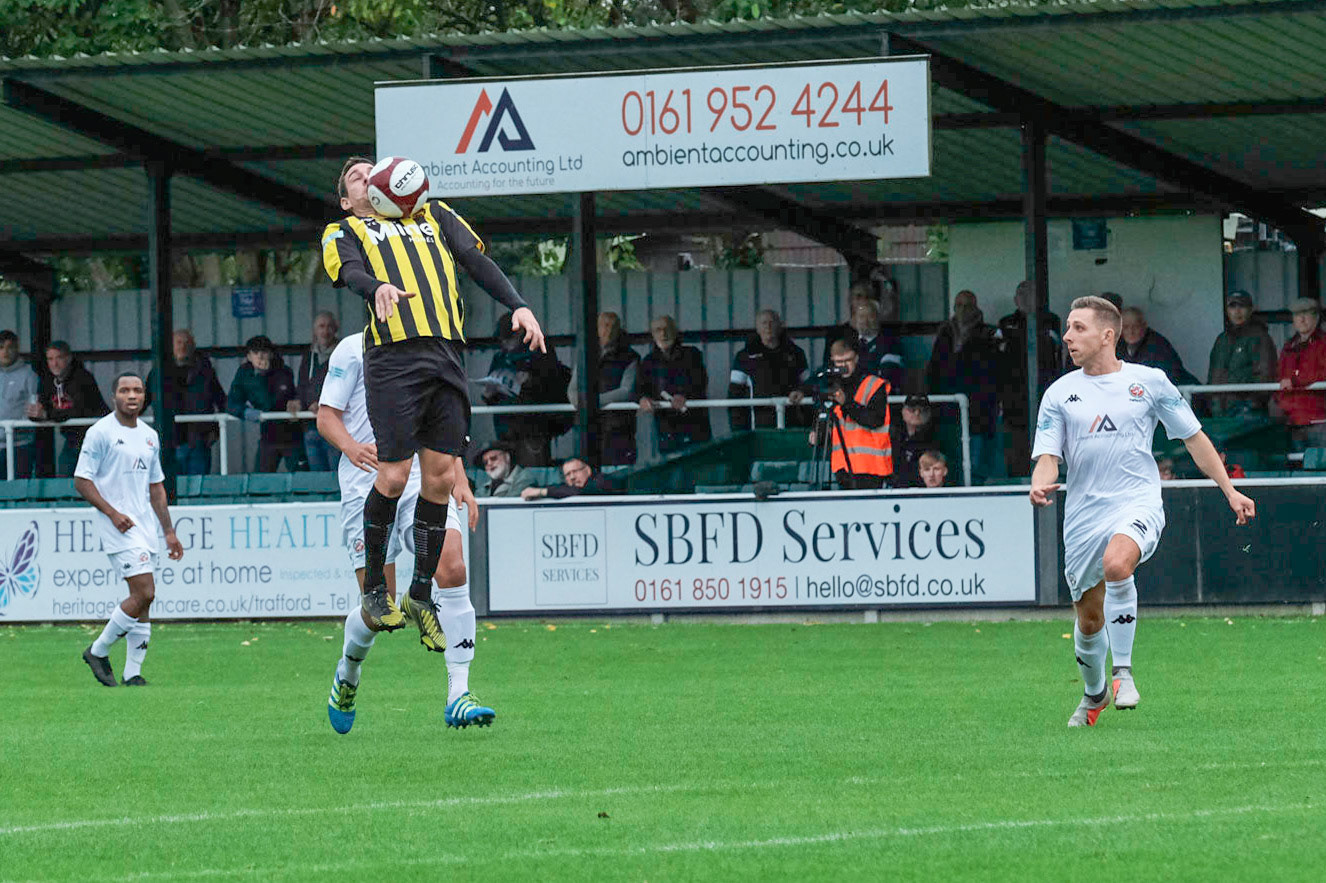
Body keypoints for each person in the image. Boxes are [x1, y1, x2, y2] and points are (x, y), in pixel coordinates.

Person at [321, 156, 545, 652]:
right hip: (394, 357)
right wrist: (376, 287)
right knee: (396, 475)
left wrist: (519, 304)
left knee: (441, 476)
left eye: (374, 171)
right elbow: (350, 272)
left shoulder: (436, 214)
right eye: (358, 178)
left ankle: (421, 593)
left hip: (447, 352)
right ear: (347, 199)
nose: (370, 178)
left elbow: (478, 260)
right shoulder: (344, 230)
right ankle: (378, 591)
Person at [1030, 296, 1255, 728]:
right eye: (1069, 328)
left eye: (1078, 327)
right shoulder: (1060, 393)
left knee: (1118, 564)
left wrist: (1229, 490)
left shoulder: (1150, 382)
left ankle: (1123, 674)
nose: (1068, 335)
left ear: (1107, 335)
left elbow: (1193, 436)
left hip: (1137, 499)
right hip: (1083, 514)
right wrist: (1040, 480)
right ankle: (1093, 693)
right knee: (1089, 617)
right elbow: (1047, 456)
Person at [316, 330, 490, 732]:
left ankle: (459, 693)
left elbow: (439, 430)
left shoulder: (430, 347)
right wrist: (352, 447)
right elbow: (326, 416)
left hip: (421, 482)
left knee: (453, 568)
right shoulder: (353, 348)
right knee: (379, 609)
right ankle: (348, 672)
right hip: (367, 484)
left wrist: (459, 477)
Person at [76, 372, 185, 688]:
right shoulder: (100, 433)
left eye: (137, 390)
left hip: (145, 527)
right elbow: (82, 480)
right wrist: (112, 513)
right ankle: (98, 650)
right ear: (114, 397)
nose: (132, 395)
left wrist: (168, 531)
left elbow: (156, 487)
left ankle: (132, 673)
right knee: (145, 592)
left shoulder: (150, 435)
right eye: (125, 390)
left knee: (144, 600)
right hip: (118, 527)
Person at [926, 290, 1000, 484]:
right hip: (946, 413)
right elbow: (933, 370)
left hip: (978, 414)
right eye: (958, 305)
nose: (962, 310)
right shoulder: (945, 334)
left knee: (974, 467)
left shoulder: (988, 334)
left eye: (967, 306)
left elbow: (992, 374)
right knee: (950, 466)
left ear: (976, 308)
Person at [480, 311, 570, 467]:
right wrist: (488, 395)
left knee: (532, 470)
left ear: (520, 333)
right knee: (509, 473)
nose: (505, 343)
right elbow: (492, 388)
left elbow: (552, 384)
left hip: (533, 427)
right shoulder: (500, 357)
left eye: (509, 338)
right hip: (505, 428)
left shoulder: (540, 349)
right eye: (503, 339)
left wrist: (529, 381)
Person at [996, 281, 1063, 478]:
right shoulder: (1006, 322)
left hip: (1043, 393)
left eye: (1030, 294)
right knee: (1015, 448)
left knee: (1046, 446)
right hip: (1013, 397)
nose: (1025, 299)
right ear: (1016, 300)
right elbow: (1000, 354)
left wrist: (1016, 340)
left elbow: (1050, 351)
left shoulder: (1050, 320)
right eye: (1021, 295)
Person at [808, 338, 893, 490]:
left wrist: (845, 403)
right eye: (839, 362)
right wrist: (819, 434)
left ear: (856, 358)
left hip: (870, 467)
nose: (843, 366)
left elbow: (875, 420)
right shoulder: (832, 385)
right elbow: (833, 423)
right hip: (842, 467)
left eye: (847, 360)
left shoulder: (873, 385)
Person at [145, 329, 227, 475]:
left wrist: (216, 431)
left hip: (199, 441)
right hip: (169, 440)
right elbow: (144, 400)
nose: (183, 346)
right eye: (178, 342)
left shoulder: (205, 372)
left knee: (198, 489)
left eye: (187, 343)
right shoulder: (158, 373)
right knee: (169, 489)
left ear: (193, 346)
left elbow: (221, 401)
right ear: (170, 346)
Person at [569, 311, 640, 466]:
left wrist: (592, 402)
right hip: (585, 425)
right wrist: (580, 402)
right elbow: (573, 388)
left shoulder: (629, 357)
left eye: (613, 326)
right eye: (605, 325)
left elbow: (626, 391)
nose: (609, 330)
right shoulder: (585, 354)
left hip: (617, 427)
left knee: (616, 474)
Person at [226, 335, 303, 473]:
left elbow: (274, 401)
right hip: (268, 435)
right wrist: (245, 412)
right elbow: (231, 402)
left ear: (271, 354)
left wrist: (264, 376)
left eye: (264, 352)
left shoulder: (283, 371)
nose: (260, 357)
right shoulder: (244, 374)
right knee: (261, 481)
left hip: (292, 434)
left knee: (301, 478)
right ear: (249, 356)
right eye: (255, 353)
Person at [31, 340, 108, 477]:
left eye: (59, 358)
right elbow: (41, 407)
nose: (54, 363)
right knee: (65, 474)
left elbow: (78, 411)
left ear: (69, 358)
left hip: (96, 438)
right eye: (50, 359)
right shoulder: (48, 381)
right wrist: (35, 413)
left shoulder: (82, 378)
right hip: (72, 439)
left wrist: (47, 414)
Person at [638, 315, 711, 455]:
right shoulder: (648, 362)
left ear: (675, 331)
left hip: (695, 428)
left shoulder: (692, 355)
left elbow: (700, 381)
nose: (663, 334)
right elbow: (641, 388)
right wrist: (643, 398)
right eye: (658, 330)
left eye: (667, 329)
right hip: (667, 431)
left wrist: (684, 396)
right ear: (652, 335)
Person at [729, 309, 811, 431]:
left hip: (792, 425)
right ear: (757, 328)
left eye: (772, 322)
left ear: (780, 325)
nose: (768, 326)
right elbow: (734, 394)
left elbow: (808, 384)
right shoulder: (744, 356)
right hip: (758, 427)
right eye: (764, 323)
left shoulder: (795, 353)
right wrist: (738, 429)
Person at [1207, 290, 1277, 417]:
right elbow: (1213, 375)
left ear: (1250, 310)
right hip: (1220, 412)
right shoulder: (1221, 340)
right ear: (1227, 310)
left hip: (1248, 412)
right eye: (1232, 306)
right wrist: (1212, 403)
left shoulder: (1260, 337)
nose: (1237, 311)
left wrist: (1251, 404)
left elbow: (1266, 376)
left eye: (1242, 306)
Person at [1274, 297, 1326, 451]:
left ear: (1316, 317)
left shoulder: (1323, 344)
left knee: (1320, 465)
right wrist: (1283, 404)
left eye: (1306, 314)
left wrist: (1296, 380)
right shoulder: (1289, 346)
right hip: (1293, 420)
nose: (1302, 319)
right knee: (1297, 467)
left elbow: (1322, 373)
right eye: (1297, 315)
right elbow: (1280, 377)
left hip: (1319, 419)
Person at [293, 311, 340, 471]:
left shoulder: (343, 353)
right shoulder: (308, 355)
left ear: (335, 329)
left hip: (336, 426)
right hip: (312, 426)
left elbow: (347, 387)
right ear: (314, 330)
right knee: (317, 478)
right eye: (321, 326)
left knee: (336, 477)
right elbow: (302, 386)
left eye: (329, 326)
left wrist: (325, 405)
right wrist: (300, 403)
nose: (325, 331)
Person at [1118, 306, 1198, 386]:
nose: (1131, 331)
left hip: (1187, 392)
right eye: (1125, 327)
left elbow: (1168, 378)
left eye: (1136, 327)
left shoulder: (1158, 346)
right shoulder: (1119, 345)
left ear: (1144, 326)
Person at [0, 329, 39, 479]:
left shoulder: (29, 374)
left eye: (10, 347)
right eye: (1, 347)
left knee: (19, 493)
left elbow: (33, 407)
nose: (5, 352)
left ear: (17, 349)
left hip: (20, 445)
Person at [890, 395, 939, 489]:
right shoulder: (892, 437)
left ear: (929, 414)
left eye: (922, 410)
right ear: (903, 412)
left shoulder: (937, 438)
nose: (917, 413)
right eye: (912, 409)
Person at [520, 456, 617, 500]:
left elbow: (580, 492)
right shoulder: (568, 487)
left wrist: (541, 492)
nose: (572, 477)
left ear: (588, 470)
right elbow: (561, 488)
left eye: (575, 471)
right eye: (567, 474)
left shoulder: (602, 480)